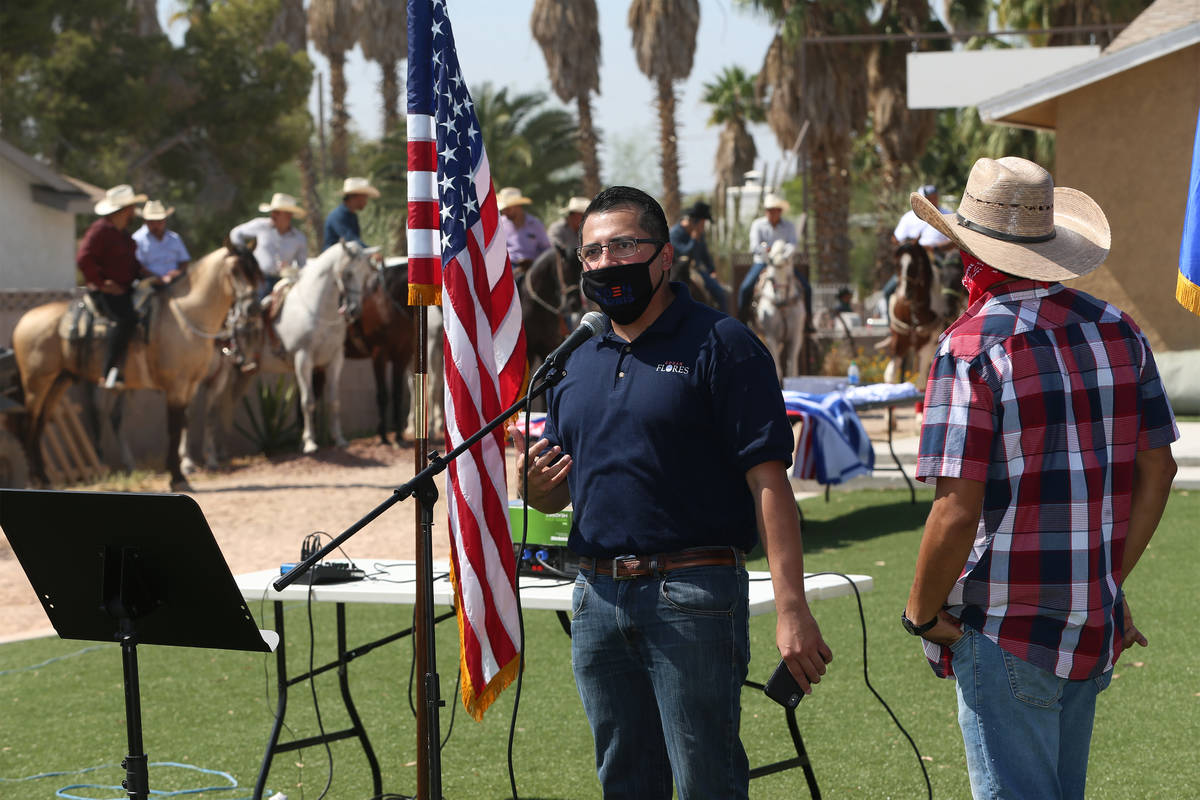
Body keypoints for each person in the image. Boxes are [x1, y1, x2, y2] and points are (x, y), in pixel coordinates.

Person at [514, 185, 831, 799]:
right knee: (624, 779)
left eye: (625, 245)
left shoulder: (724, 344)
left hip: (692, 594)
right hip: (594, 598)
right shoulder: (572, 359)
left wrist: (792, 608)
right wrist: (534, 490)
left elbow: (770, 483)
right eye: (593, 252)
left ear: (664, 257)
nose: (607, 263)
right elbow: (559, 493)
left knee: (704, 780)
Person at [902, 157, 1178, 800]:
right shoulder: (1119, 329)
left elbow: (955, 509)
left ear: (969, 247)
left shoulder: (970, 346)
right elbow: (1158, 469)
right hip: (1090, 625)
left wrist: (919, 612)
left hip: (1005, 628)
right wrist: (1106, 579)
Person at [77, 184, 149, 389]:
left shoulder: (124, 234)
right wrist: (102, 284)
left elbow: (130, 264)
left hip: (126, 289)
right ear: (126, 209)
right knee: (126, 319)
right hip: (106, 292)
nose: (134, 211)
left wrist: (145, 273)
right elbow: (83, 258)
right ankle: (108, 371)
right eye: (132, 207)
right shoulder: (101, 230)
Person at [882, 184, 956, 316]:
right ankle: (894, 328)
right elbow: (896, 239)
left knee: (949, 288)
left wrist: (935, 247)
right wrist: (908, 244)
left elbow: (956, 241)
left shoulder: (947, 215)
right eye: (929, 198)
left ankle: (947, 317)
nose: (933, 201)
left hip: (937, 257)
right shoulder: (908, 218)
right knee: (888, 291)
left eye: (935, 198)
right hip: (912, 258)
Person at [738, 193, 804, 320]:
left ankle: (808, 322)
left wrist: (783, 257)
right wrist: (768, 253)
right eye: (769, 210)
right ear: (766, 211)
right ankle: (742, 320)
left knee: (806, 287)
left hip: (784, 264)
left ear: (780, 211)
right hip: (763, 262)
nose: (772, 213)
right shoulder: (758, 225)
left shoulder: (788, 226)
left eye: (775, 210)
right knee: (745, 288)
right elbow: (754, 246)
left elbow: (792, 244)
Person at [230, 192, 309, 299]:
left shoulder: (299, 239)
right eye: (273, 212)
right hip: (258, 279)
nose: (272, 215)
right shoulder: (261, 226)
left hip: (284, 283)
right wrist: (245, 254)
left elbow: (302, 267)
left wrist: (291, 269)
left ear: (288, 216)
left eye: (276, 212)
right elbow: (235, 233)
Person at [668, 200, 729, 313]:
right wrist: (693, 239)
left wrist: (712, 270)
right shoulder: (674, 233)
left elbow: (705, 254)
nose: (703, 226)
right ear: (695, 222)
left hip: (698, 270)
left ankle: (725, 322)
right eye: (702, 223)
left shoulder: (700, 234)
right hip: (679, 271)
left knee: (720, 293)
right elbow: (684, 252)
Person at [497, 186, 552, 279]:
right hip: (509, 267)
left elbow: (546, 249)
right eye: (503, 209)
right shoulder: (499, 224)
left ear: (518, 207)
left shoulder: (535, 224)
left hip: (534, 266)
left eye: (507, 209)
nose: (504, 212)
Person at [131, 200, 190, 286]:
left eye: (158, 221)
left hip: (176, 282)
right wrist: (155, 278)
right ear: (145, 221)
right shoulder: (137, 239)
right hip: (149, 284)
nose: (155, 225)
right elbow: (137, 266)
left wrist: (178, 272)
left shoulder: (174, 238)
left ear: (164, 220)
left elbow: (184, 260)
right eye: (151, 222)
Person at [323, 177, 381, 252]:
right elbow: (350, 239)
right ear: (355, 196)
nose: (366, 202)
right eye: (364, 198)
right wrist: (369, 251)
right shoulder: (337, 216)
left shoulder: (352, 216)